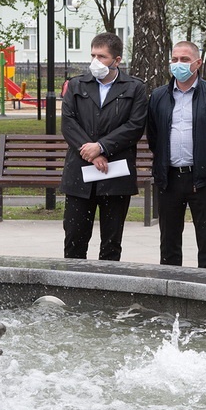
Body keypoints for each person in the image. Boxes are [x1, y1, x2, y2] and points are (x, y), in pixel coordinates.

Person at [146, 41, 206, 268]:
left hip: (203, 181)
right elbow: (153, 136)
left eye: (185, 60)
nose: (179, 64)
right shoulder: (158, 96)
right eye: (175, 59)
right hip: (169, 180)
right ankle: (170, 294)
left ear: (197, 63)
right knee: (169, 245)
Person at [60, 32, 148, 261]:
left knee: (111, 244)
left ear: (117, 60)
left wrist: (102, 147)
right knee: (74, 238)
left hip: (115, 174)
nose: (95, 61)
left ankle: (107, 292)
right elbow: (68, 123)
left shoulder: (134, 88)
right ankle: (73, 287)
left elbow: (135, 126)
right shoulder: (77, 85)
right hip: (80, 173)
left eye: (102, 56)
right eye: (93, 55)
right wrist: (91, 153)